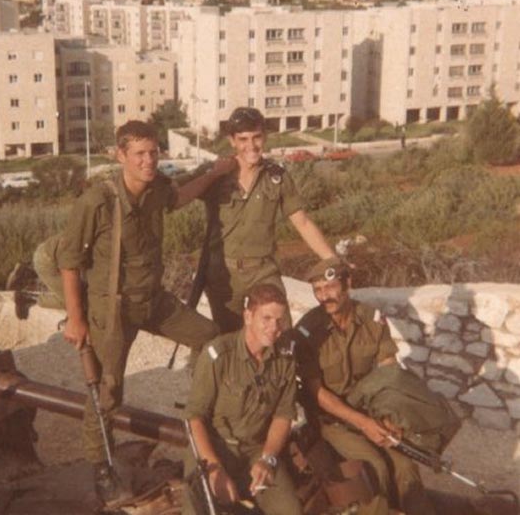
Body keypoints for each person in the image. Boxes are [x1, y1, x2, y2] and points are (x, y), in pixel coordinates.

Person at [54, 120, 235, 507]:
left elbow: (180, 196)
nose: (148, 160)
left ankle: (204, 419)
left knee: (211, 339)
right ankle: (102, 468)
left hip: (152, 301)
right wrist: (76, 318)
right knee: (107, 391)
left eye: (153, 152)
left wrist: (215, 173)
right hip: (112, 309)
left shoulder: (156, 190)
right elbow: (69, 262)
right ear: (120, 155)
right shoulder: (97, 202)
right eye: (139, 154)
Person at [294, 257, 435, 515]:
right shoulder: (307, 330)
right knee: (374, 466)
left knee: (405, 466)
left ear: (347, 283)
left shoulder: (372, 319)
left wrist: (390, 417)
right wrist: (363, 423)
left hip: (369, 410)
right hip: (330, 420)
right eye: (318, 290)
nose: (324, 296)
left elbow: (389, 371)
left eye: (330, 287)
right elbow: (317, 393)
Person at [202, 106, 335, 333]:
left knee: (281, 330)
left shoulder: (277, 177)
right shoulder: (215, 173)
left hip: (263, 270)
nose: (251, 145)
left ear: (265, 136)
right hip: (224, 273)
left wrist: (332, 260)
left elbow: (302, 222)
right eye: (243, 139)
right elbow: (175, 195)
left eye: (256, 137)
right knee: (230, 338)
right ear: (232, 141)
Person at [183, 283, 303, 515]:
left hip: (256, 449)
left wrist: (267, 459)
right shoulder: (218, 355)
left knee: (290, 510)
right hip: (214, 447)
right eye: (266, 318)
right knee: (198, 507)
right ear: (248, 317)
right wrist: (214, 468)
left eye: (279, 320)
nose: (274, 328)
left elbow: (283, 415)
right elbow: (194, 417)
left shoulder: (285, 358)